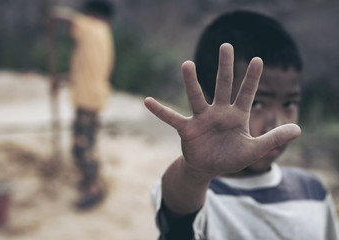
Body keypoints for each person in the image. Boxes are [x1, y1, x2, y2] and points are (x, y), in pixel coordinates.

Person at [144, 10, 339, 239]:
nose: (275, 124)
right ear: (207, 101)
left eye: (289, 102)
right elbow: (177, 213)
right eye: (256, 103)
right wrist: (195, 172)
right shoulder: (197, 193)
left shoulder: (312, 190)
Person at [51, 0, 115, 209]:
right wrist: (64, 78)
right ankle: (90, 180)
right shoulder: (102, 34)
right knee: (88, 142)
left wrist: (51, 13)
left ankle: (95, 187)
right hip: (94, 95)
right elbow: (87, 68)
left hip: (87, 99)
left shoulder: (91, 27)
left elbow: (66, 16)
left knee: (81, 147)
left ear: (91, 13)